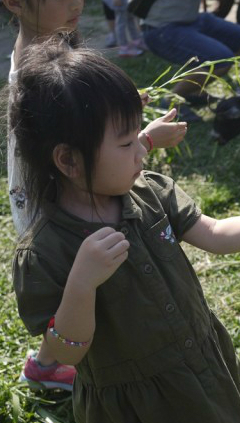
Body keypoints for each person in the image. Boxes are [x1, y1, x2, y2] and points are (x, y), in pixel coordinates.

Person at [9, 40, 240, 422]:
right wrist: (82, 283)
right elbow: (66, 354)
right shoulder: (44, 251)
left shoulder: (150, 191)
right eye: (127, 142)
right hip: (137, 407)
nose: (142, 151)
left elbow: (214, 233)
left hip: (203, 367)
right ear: (68, 160)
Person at [2, 0, 187, 392]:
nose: (77, 3)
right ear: (15, 3)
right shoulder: (34, 74)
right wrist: (147, 139)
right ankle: (52, 362)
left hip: (64, 196)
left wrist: (110, 113)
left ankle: (49, 361)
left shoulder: (50, 49)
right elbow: (74, 166)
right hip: (55, 207)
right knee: (74, 289)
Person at [132, 0, 240, 100]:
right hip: (161, 28)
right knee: (220, 60)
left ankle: (193, 91)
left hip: (191, 19)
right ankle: (171, 100)